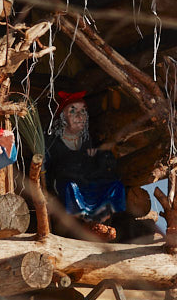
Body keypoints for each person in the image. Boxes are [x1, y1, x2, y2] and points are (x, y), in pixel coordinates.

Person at [45, 92, 126, 233]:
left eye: (82, 111)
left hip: (87, 180)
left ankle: (102, 217)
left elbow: (95, 164)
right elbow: (50, 166)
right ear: (63, 116)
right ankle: (84, 218)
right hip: (67, 182)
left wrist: (96, 157)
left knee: (115, 186)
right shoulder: (53, 140)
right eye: (73, 111)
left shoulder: (87, 139)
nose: (79, 115)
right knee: (71, 188)